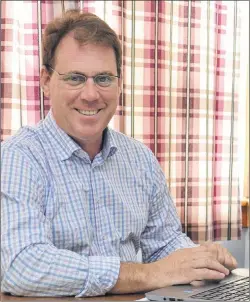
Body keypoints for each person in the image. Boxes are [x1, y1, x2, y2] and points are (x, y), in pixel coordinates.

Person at [1, 9, 237, 297]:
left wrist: (201, 259)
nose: (90, 94)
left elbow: (162, 243)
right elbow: (23, 267)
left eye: (103, 78)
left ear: (119, 83)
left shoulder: (139, 158)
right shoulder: (19, 157)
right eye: (75, 78)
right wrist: (146, 274)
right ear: (46, 81)